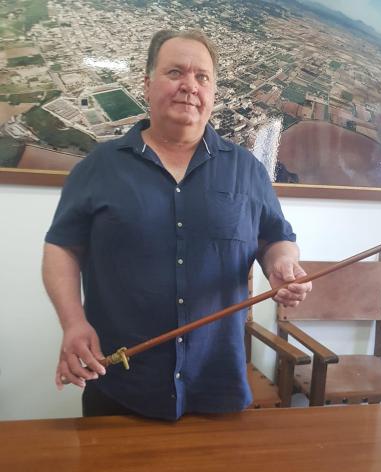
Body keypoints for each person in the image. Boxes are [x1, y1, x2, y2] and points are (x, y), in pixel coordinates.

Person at [42, 29, 312, 420]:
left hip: (216, 382)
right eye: (175, 72)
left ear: (213, 91)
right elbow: (62, 247)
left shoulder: (247, 170)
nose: (190, 85)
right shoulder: (98, 167)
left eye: (202, 77)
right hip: (121, 386)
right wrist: (72, 323)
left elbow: (275, 238)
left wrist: (282, 264)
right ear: (147, 83)